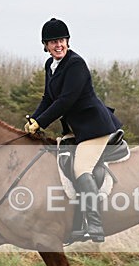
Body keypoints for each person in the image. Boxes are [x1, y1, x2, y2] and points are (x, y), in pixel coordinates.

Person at [26, 18, 122, 242]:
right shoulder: (51, 66)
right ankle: (74, 223)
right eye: (52, 42)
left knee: (81, 168)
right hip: (77, 129)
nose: (58, 45)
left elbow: (65, 101)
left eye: (61, 40)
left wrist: (42, 122)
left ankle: (94, 224)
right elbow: (48, 98)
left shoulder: (76, 64)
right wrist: (34, 119)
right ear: (46, 46)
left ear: (67, 41)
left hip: (94, 127)